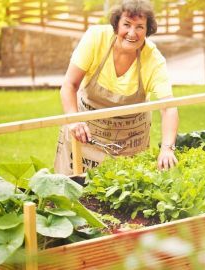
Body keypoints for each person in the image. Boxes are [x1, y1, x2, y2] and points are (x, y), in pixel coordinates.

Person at [54, 0, 178, 175]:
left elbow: (169, 107)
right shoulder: (96, 38)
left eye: (140, 27)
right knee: (74, 192)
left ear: (147, 30)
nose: (132, 33)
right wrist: (74, 120)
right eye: (126, 24)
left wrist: (167, 148)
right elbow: (69, 85)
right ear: (116, 24)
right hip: (85, 133)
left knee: (123, 196)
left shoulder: (154, 60)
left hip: (129, 142)